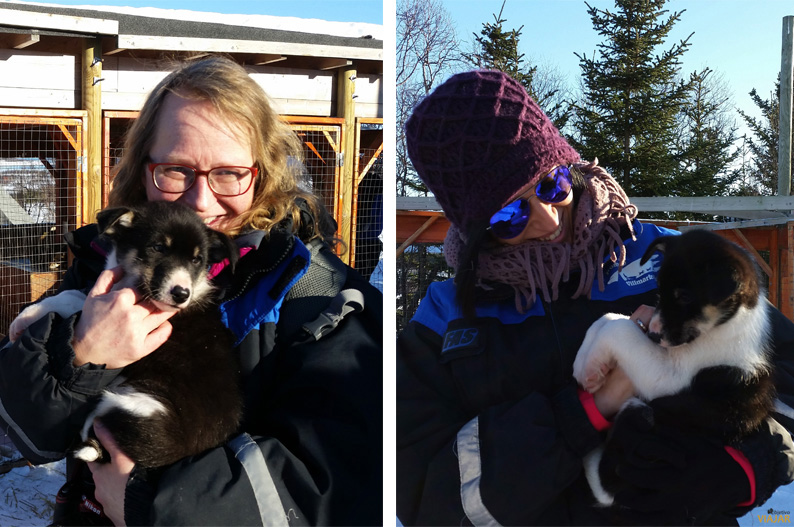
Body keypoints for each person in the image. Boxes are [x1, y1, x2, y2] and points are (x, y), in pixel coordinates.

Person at [396, 69, 794, 525]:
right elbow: (422, 491)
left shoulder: (670, 259)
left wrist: (746, 463)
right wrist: (585, 410)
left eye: (551, 184)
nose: (547, 220)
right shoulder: (446, 316)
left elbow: (787, 372)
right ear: (472, 229)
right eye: (508, 214)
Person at [0, 55, 382, 526]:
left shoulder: (327, 300)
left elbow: (337, 484)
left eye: (228, 172)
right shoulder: (104, 261)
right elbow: (27, 432)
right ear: (144, 169)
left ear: (261, 172)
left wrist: (149, 502)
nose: (200, 201)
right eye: (176, 170)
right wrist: (81, 354)